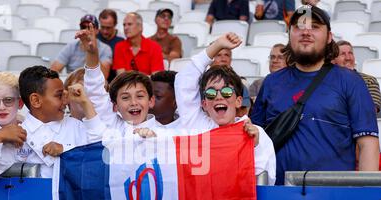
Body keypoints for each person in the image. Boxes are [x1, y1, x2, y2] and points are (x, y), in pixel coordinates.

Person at [251, 5, 379, 185]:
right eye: (298, 27)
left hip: (334, 197)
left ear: (329, 37)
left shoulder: (351, 82)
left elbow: (368, 145)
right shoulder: (271, 83)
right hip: (277, 197)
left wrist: (366, 198)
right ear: (289, 35)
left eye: (315, 26)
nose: (305, 32)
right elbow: (253, 143)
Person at [174, 33, 277, 185]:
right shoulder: (196, 125)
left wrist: (254, 147)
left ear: (238, 101)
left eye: (226, 91)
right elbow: (184, 81)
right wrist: (216, 46)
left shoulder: (255, 134)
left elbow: (265, 182)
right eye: (210, 93)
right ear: (203, 104)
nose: (218, 97)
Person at [77, 23, 163, 138]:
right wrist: (92, 54)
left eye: (140, 96)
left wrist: (153, 141)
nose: (133, 102)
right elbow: (95, 90)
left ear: (151, 101)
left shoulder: (164, 133)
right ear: (115, 106)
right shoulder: (111, 125)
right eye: (125, 97)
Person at [50, 14, 112, 80]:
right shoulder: (71, 46)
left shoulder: (105, 49)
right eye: (83, 27)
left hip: (94, 83)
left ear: (97, 30)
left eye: (89, 27)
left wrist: (92, 52)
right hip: (72, 84)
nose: (85, 30)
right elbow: (54, 70)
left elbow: (104, 76)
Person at [332, 40, 381, 115]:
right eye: (342, 54)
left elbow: (371, 110)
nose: (348, 58)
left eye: (350, 53)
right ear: (333, 60)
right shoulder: (327, 81)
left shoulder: (369, 81)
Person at [97, 9, 125, 83]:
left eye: (108, 28)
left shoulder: (121, 40)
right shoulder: (95, 37)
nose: (104, 31)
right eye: (102, 27)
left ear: (115, 24)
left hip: (114, 80)